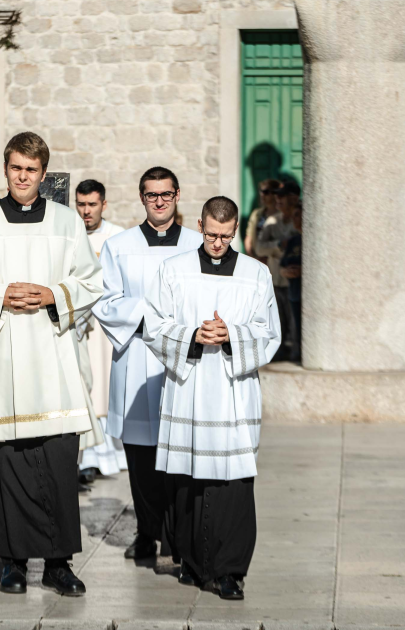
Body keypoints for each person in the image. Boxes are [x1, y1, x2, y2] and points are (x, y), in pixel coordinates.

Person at [0, 132, 104, 597]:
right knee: (7, 463)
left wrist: (55, 294)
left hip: (51, 358)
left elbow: (91, 282)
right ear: (5, 169)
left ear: (44, 174)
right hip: (2, 355)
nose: (22, 177)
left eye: (31, 170)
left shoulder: (68, 222)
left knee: (56, 463)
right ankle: (11, 561)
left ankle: (58, 563)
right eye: (15, 168)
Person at [143, 196, 280, 601]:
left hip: (233, 389)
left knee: (234, 480)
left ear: (235, 230)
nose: (217, 243)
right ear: (200, 225)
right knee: (188, 478)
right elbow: (155, 324)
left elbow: (268, 332)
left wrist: (231, 334)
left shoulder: (256, 274)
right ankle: (190, 560)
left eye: (225, 236)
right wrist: (192, 335)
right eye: (210, 234)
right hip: (189, 386)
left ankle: (229, 571)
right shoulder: (173, 270)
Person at [93, 166, 202, 563]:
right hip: (137, 354)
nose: (159, 201)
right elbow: (105, 301)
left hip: (182, 360)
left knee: (179, 450)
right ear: (141, 198)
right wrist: (150, 316)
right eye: (151, 195)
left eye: (166, 194)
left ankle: (177, 534)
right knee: (140, 457)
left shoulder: (196, 243)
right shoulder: (118, 246)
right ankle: (146, 532)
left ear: (177, 195)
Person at [73, 179, 126, 484]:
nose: (86, 211)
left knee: (106, 387)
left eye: (92, 204)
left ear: (104, 205)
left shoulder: (117, 237)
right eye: (80, 204)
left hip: (107, 328)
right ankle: (86, 459)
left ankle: (110, 455)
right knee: (85, 387)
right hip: (79, 325)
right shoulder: (69, 233)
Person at [253, 182, 299, 358]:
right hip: (275, 279)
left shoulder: (300, 219)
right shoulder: (272, 222)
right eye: (277, 196)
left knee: (295, 320)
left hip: (294, 280)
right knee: (277, 319)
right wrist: (279, 246)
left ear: (293, 198)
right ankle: (277, 352)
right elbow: (259, 248)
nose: (278, 199)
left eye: (283, 196)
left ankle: (296, 351)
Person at [278, 202, 303, 362]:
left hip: (307, 294)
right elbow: (282, 265)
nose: (294, 219)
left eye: (297, 214)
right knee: (296, 329)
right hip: (294, 292)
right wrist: (287, 272)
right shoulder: (293, 240)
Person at [244, 179, 282, 264]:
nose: (262, 195)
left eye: (266, 192)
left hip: (275, 262)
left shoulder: (282, 215)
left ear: (275, 194)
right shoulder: (257, 214)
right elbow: (249, 237)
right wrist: (253, 258)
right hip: (257, 260)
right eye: (261, 191)